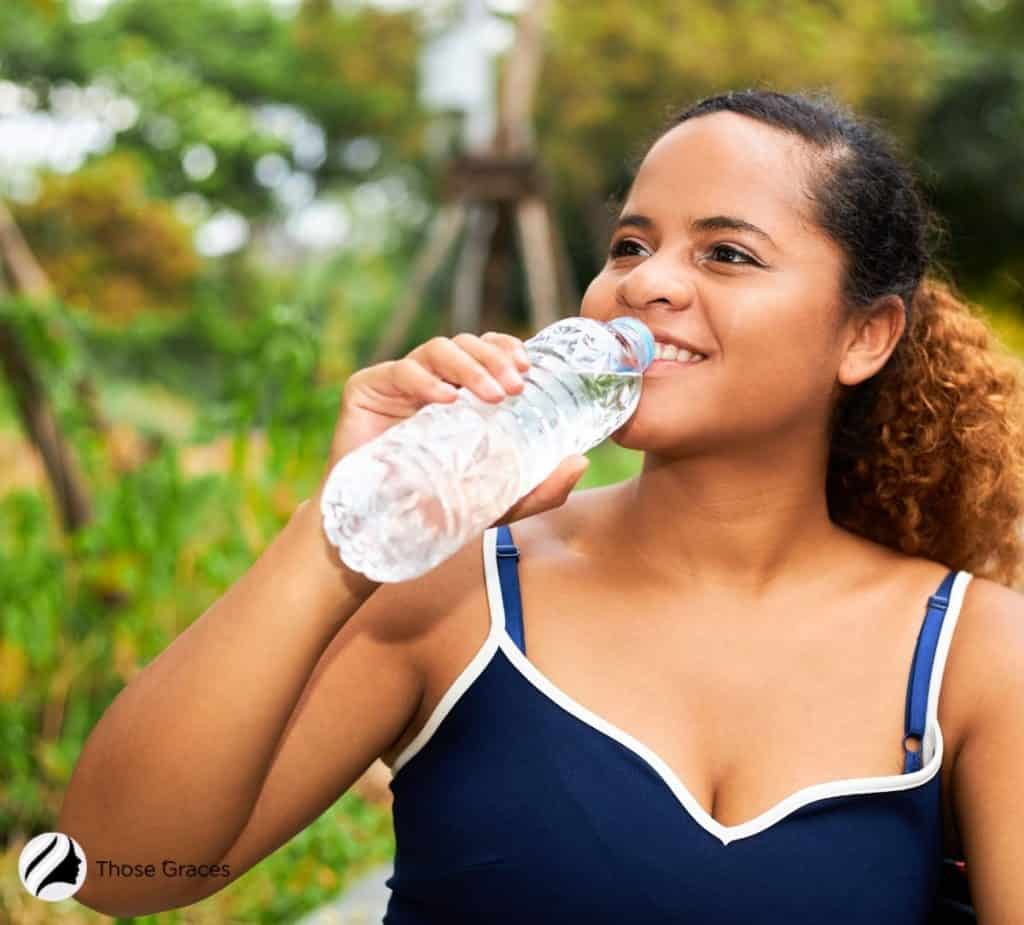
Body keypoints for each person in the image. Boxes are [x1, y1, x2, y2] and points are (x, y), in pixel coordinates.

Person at [61, 89, 1024, 922]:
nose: (645, 281)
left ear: (865, 334)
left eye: (726, 253)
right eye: (628, 244)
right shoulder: (458, 590)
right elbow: (116, 868)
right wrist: (338, 537)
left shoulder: (975, 654)